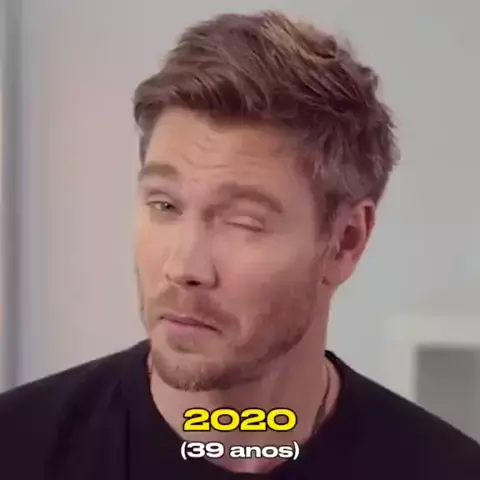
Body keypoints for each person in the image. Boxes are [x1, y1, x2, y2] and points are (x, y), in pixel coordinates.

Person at [1, 10, 479, 480]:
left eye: (243, 222)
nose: (184, 267)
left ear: (345, 242)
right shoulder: (17, 448)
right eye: (164, 205)